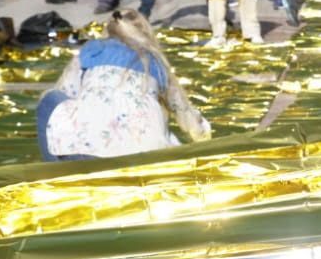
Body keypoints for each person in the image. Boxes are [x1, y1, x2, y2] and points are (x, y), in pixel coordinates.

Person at [36, 10, 209, 160]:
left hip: (87, 154)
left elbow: (67, 90)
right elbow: (183, 111)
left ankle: (59, 172)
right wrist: (202, 132)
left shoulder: (93, 50)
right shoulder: (155, 63)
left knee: (50, 99)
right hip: (146, 157)